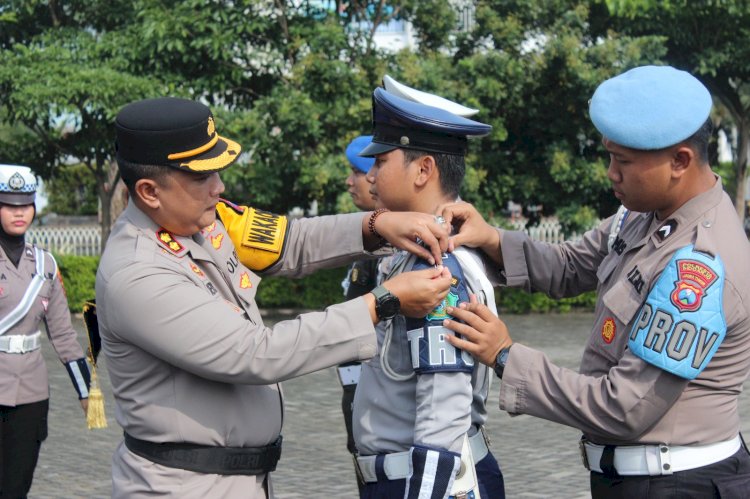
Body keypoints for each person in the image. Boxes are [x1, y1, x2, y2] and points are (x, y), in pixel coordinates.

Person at [97, 96, 455, 498]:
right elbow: (256, 353)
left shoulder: (204, 220)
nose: (220, 187)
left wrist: (377, 224)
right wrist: (381, 303)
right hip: (182, 485)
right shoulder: (137, 273)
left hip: (243, 479)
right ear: (149, 191)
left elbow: (290, 242)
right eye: (202, 178)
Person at [440, 65, 750, 498]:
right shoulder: (644, 215)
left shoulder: (699, 269)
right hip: (632, 479)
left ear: (680, 161)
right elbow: (569, 265)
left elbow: (625, 407)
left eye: (623, 161)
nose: (611, 173)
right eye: (609, 156)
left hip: (679, 484)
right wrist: (491, 238)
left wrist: (507, 356)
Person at [351, 86, 505, 499]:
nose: (369, 176)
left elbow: (443, 411)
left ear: (423, 170)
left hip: (425, 484)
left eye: (381, 161)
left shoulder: (435, 268)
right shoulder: (416, 255)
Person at [0, 164, 90, 498]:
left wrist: (87, 393)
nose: (19, 212)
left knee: (16, 487)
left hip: (30, 393)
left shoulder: (44, 266)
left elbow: (64, 335)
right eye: (9, 204)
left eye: (25, 203)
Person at [338, 135, 380, 476]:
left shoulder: (389, 251)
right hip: (359, 405)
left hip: (383, 417)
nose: (349, 181)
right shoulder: (367, 242)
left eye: (358, 170)